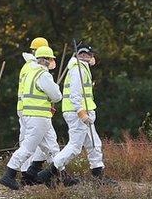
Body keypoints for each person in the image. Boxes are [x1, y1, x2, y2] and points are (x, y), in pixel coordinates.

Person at [36, 44, 113, 186]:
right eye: (83, 54)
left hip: (83, 113)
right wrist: (81, 113)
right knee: (75, 147)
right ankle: (48, 173)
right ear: (78, 55)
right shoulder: (78, 70)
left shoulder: (82, 68)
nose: (86, 57)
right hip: (78, 114)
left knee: (94, 144)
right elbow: (75, 95)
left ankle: (98, 176)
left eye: (89, 54)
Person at [0, 46, 62, 190]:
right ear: (46, 60)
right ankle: (9, 174)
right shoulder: (44, 75)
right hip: (39, 116)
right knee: (28, 147)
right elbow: (57, 96)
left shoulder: (30, 72)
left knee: (52, 147)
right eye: (51, 59)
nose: (53, 62)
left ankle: (60, 175)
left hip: (33, 115)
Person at [16, 37, 52, 184]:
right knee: (33, 141)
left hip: (26, 108)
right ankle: (29, 173)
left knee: (30, 140)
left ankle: (31, 172)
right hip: (32, 109)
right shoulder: (35, 67)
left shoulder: (27, 66)